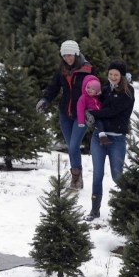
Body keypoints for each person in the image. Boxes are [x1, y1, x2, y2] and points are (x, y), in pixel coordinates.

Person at [36, 40, 98, 190]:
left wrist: (92, 110)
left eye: (69, 55)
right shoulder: (61, 69)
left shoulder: (88, 69)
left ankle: (76, 178)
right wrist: (45, 99)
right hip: (65, 113)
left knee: (73, 146)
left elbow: (96, 91)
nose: (67, 58)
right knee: (71, 147)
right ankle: (77, 177)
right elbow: (54, 88)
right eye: (64, 55)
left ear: (76, 53)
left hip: (81, 114)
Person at [84, 59, 135, 221]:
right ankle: (94, 210)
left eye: (116, 74)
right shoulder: (105, 91)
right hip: (98, 138)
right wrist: (92, 115)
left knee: (117, 176)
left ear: (122, 76)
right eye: (111, 74)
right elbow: (97, 107)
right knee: (97, 174)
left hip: (117, 140)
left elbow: (112, 111)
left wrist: (93, 113)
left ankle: (130, 205)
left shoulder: (128, 92)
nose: (113, 77)